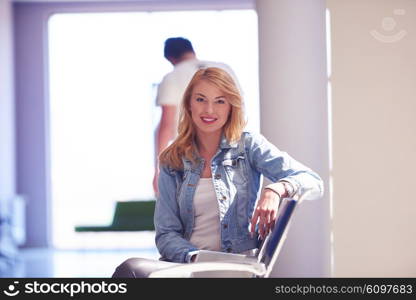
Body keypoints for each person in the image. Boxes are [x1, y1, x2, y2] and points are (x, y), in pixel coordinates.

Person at [112, 67, 323, 278]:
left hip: (235, 265)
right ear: (189, 104)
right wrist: (195, 258)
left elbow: (313, 181)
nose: (209, 110)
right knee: (129, 271)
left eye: (220, 101)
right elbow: (166, 234)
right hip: (188, 262)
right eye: (201, 99)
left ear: (231, 106)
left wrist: (277, 189)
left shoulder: (248, 146)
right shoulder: (172, 159)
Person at [153, 37, 240, 195]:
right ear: (191, 50)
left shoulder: (172, 77)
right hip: (232, 149)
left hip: (193, 154)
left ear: (170, 58)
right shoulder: (224, 69)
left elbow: (167, 124)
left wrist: (159, 169)